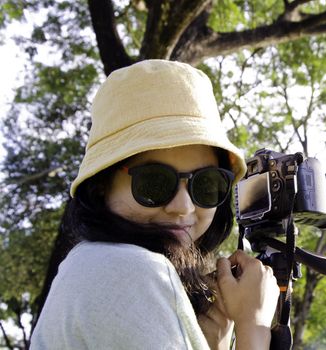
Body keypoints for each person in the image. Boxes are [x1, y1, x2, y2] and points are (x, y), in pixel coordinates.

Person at [30, 60, 280, 350]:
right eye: (154, 183)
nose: (183, 207)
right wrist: (254, 327)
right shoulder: (130, 271)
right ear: (100, 187)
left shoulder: (86, 264)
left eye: (206, 183)